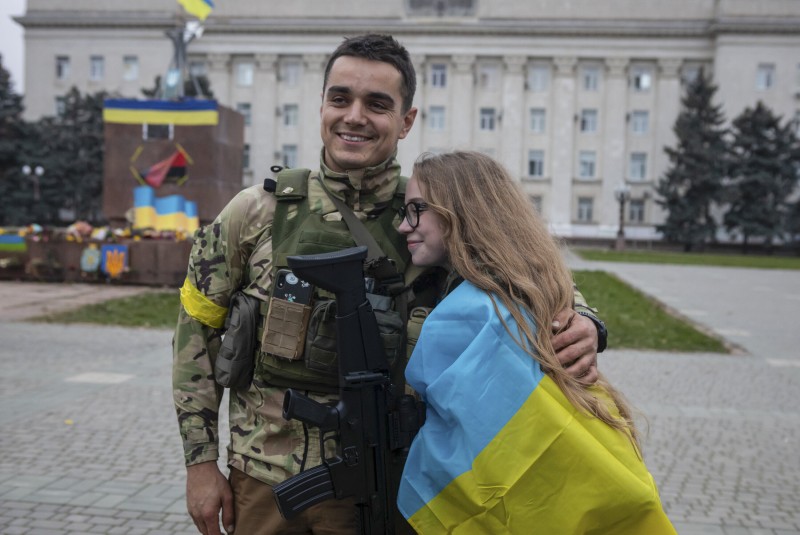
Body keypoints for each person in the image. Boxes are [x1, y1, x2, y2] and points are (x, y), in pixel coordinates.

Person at [173, 34, 604, 535]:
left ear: (406, 121)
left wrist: (586, 322)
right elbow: (194, 335)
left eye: (377, 104)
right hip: (264, 479)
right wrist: (200, 463)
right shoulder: (255, 211)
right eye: (340, 99)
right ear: (322, 106)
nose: (354, 116)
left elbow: (529, 272)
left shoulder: (436, 213)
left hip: (390, 480)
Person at [395, 151, 676, 534]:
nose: (402, 225)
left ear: (460, 209)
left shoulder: (475, 313)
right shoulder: (529, 291)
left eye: (416, 209)